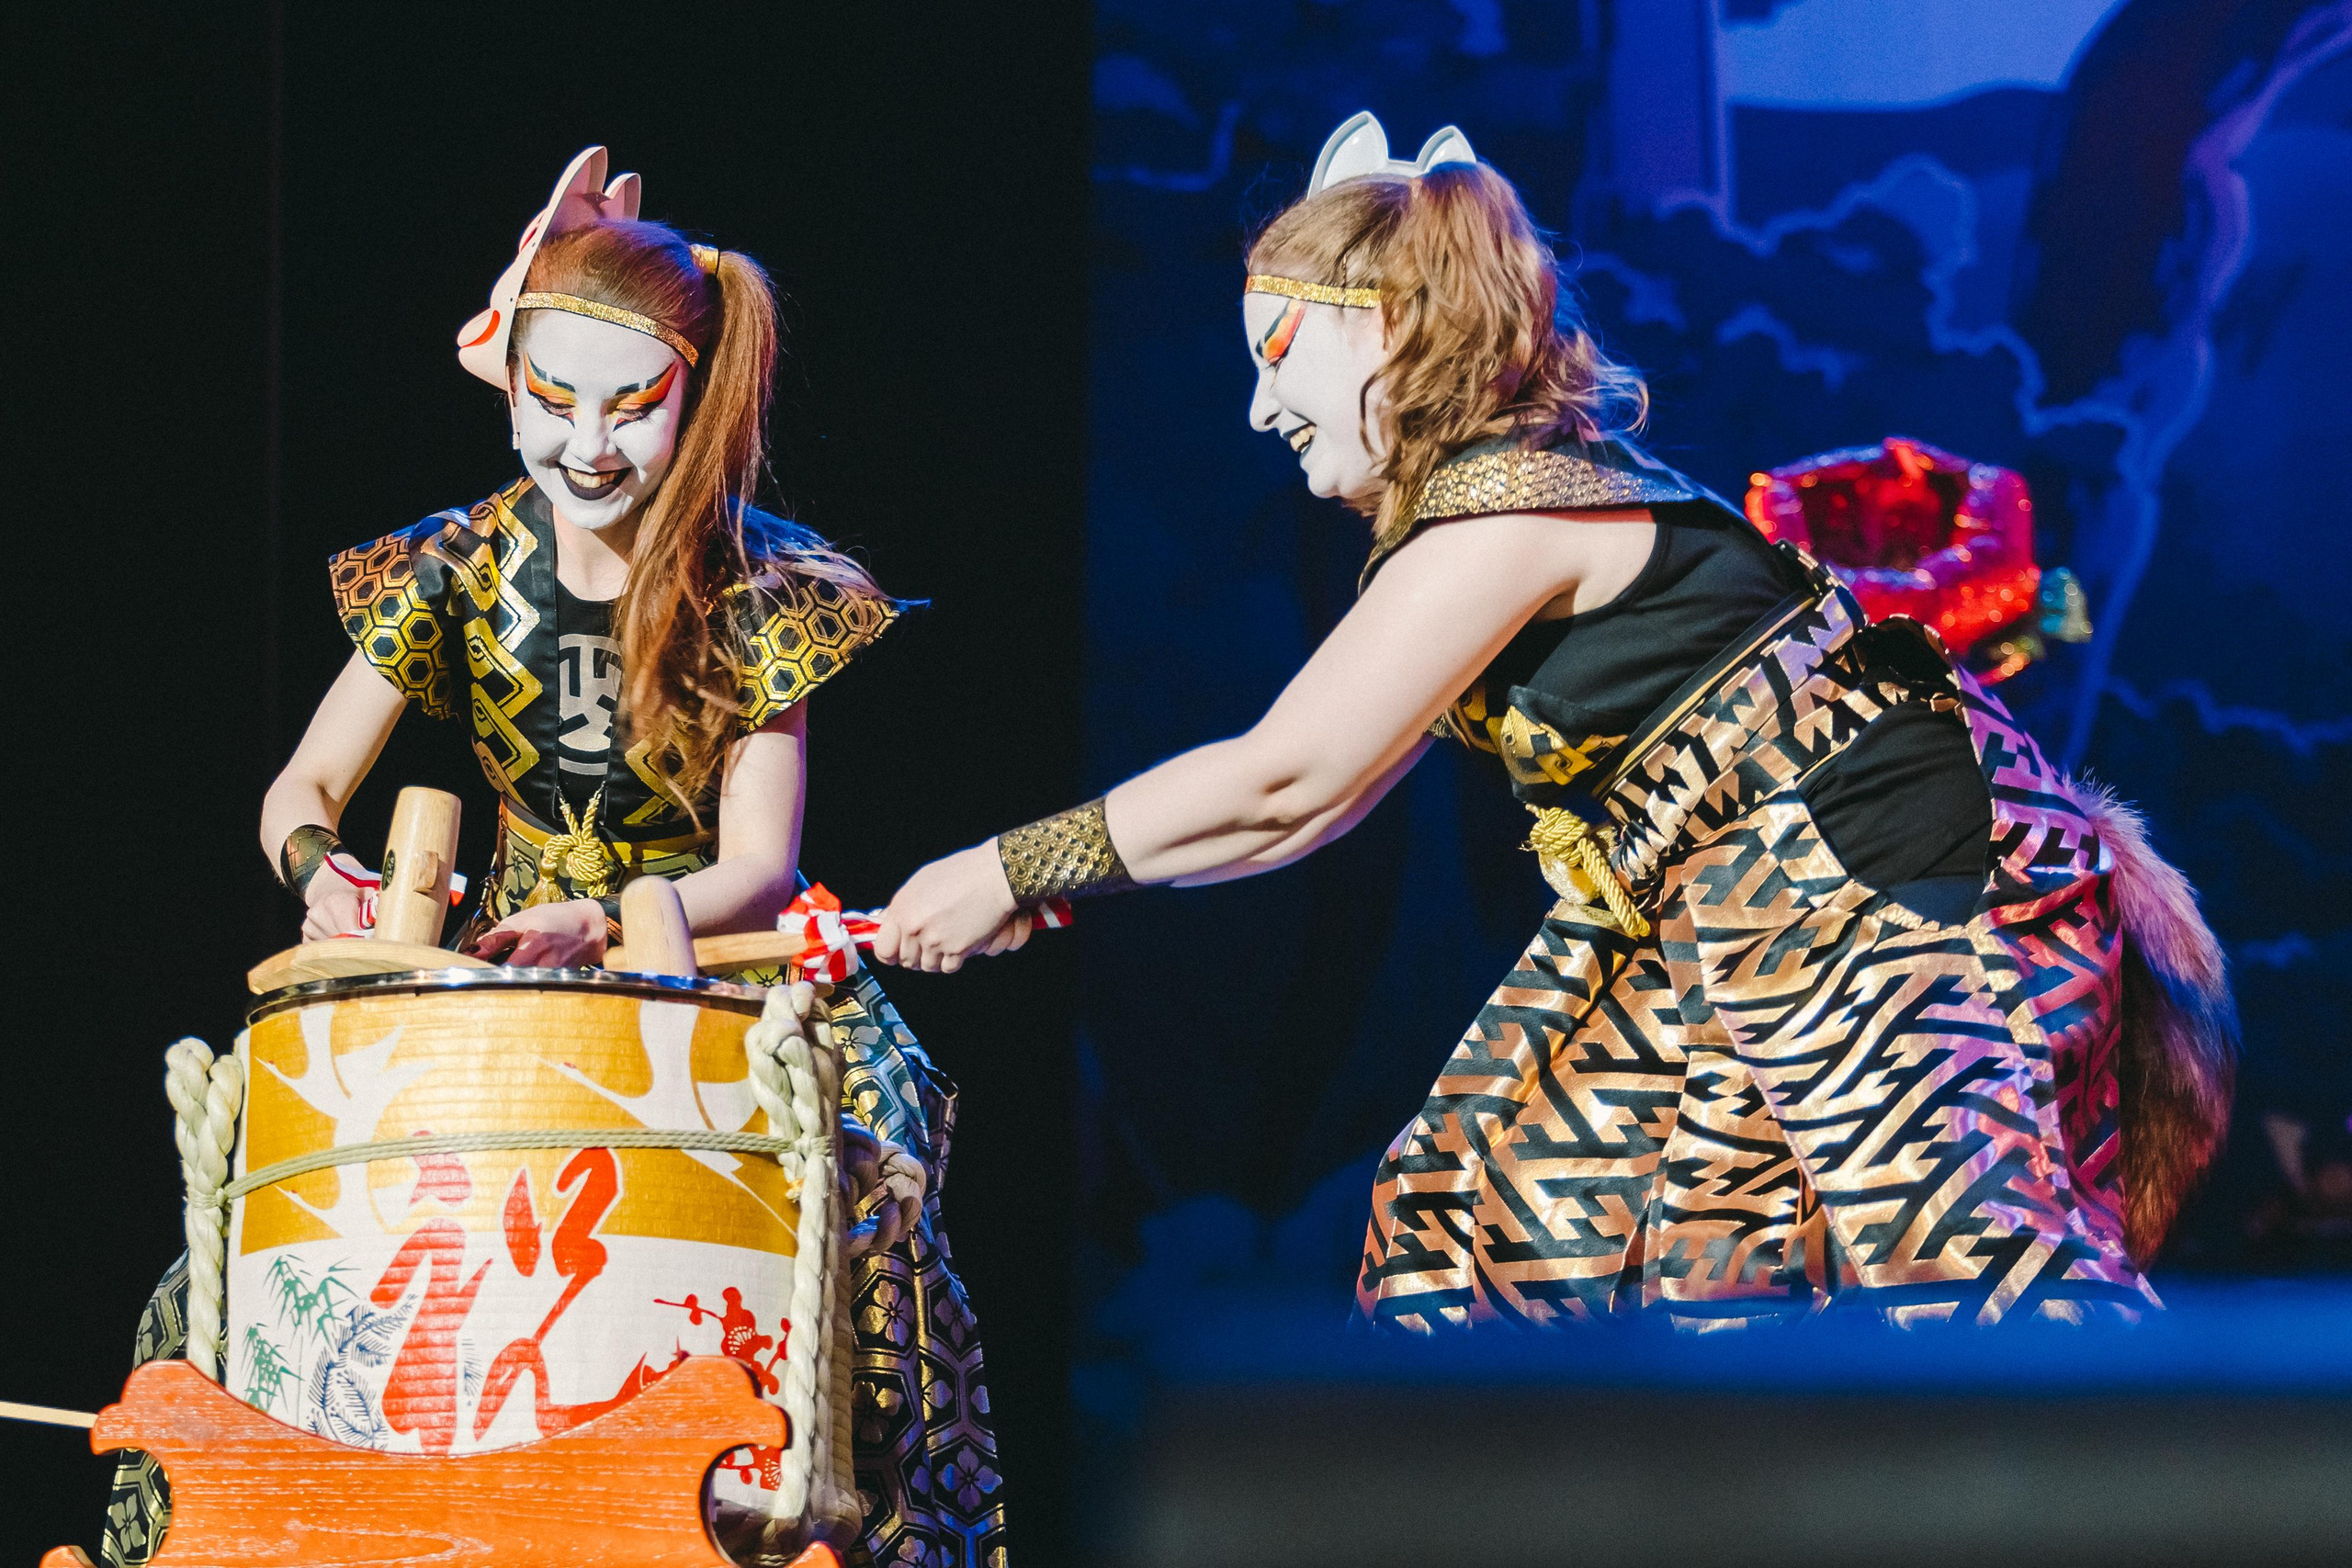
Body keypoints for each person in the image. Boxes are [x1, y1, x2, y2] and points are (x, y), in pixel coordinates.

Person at [873, 112, 2237, 1329]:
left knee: (1962, 1264)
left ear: (1387, 325)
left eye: (1275, 355)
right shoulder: (1498, 509)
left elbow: (1284, 776)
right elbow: (1312, 816)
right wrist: (1066, 885)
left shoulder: (1514, 505)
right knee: (1483, 1220)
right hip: (1735, 904)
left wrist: (1007, 863)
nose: (1255, 407)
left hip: (1877, 877)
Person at [102, 149, 1005, 1568]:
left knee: (874, 1229)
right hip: (497, 956)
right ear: (507, 385)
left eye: (630, 408)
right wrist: (319, 867)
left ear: (694, 403)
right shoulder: (456, 563)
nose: (587, 444)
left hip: (706, 946)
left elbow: (763, 863)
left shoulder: (757, 587)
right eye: (551, 400)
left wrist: (612, 918)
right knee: (268, 1234)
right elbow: (304, 784)